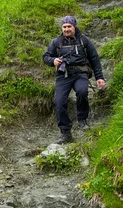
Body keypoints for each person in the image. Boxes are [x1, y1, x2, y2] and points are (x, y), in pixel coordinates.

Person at [43, 16, 106, 144]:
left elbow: (94, 59)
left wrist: (99, 77)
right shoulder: (56, 42)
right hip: (63, 75)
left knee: (82, 92)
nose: (66, 29)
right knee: (59, 101)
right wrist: (53, 61)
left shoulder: (84, 40)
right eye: (64, 27)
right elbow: (46, 56)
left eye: (69, 27)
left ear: (74, 27)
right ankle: (66, 133)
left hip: (80, 74)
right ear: (62, 28)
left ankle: (82, 119)